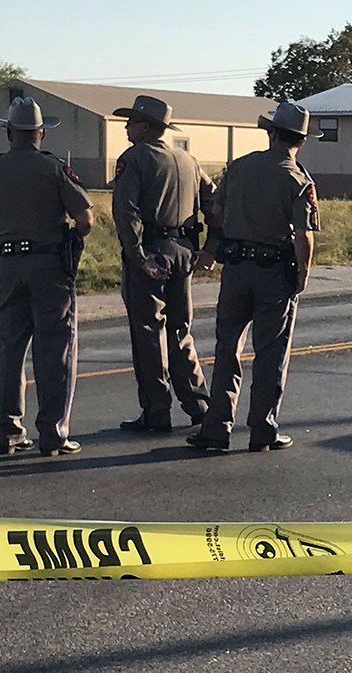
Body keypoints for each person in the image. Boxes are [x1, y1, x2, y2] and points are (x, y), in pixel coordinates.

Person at [187, 102, 321, 452]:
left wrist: (214, 248)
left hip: (235, 269)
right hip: (274, 272)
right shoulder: (298, 179)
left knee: (227, 348)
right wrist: (303, 273)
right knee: (270, 352)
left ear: (271, 133)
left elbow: (217, 212)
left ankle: (217, 428)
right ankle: (262, 429)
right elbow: (303, 235)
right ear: (301, 141)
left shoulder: (239, 167)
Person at [0, 97, 94, 457]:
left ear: (8, 133)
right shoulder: (53, 169)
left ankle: (8, 432)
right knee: (54, 349)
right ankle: (53, 433)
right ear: (41, 133)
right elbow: (85, 220)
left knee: (9, 348)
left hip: (8, 264)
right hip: (49, 265)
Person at [112, 95, 216, 433]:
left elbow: (126, 212)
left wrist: (137, 255)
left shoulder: (133, 159)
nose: (127, 128)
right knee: (180, 329)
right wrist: (211, 248)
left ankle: (156, 409)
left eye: (131, 122)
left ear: (145, 126)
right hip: (184, 250)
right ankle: (199, 404)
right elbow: (215, 205)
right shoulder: (188, 160)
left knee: (148, 333)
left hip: (152, 252)